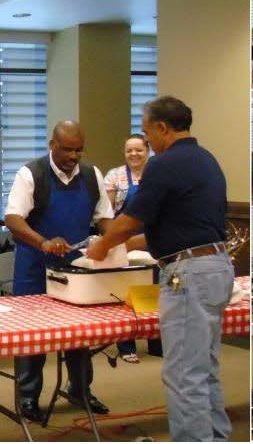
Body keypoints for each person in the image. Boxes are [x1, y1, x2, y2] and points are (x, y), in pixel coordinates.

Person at [87, 96, 232, 441]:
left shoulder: (163, 164)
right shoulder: (207, 159)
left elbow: (128, 222)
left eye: (147, 131)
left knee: (183, 375)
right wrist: (122, 245)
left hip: (189, 276)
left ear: (162, 128)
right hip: (216, 267)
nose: (146, 140)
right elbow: (176, 229)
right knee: (204, 369)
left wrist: (101, 246)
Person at [5, 121, 115, 425]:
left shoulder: (92, 175)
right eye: (67, 149)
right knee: (32, 337)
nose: (74, 155)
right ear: (52, 145)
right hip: (34, 267)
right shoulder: (31, 174)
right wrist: (42, 241)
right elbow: (13, 218)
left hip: (75, 269)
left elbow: (104, 218)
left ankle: (80, 389)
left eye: (79, 149)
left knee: (80, 334)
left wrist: (113, 238)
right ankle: (27, 395)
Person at [105, 134, 151, 363]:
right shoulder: (115, 176)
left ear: (148, 151)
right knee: (124, 291)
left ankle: (156, 340)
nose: (134, 154)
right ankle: (125, 344)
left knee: (154, 289)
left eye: (139, 150)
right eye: (129, 151)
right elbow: (107, 212)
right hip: (124, 236)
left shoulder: (157, 173)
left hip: (152, 237)